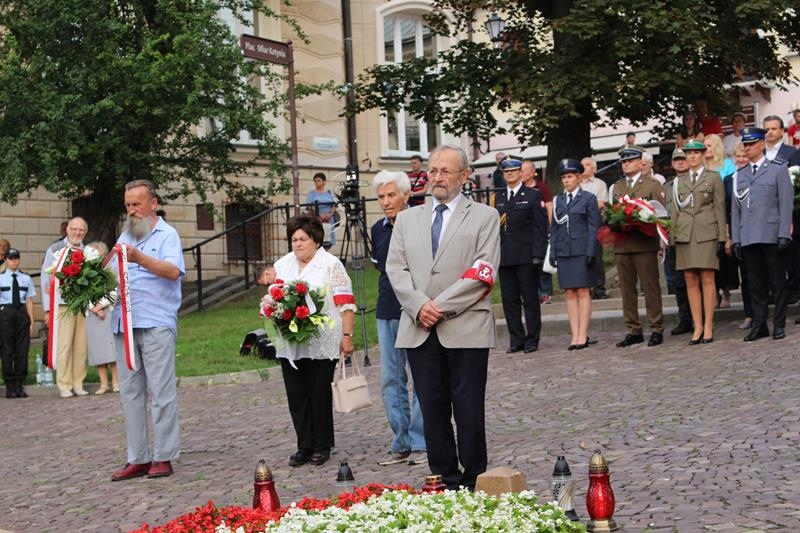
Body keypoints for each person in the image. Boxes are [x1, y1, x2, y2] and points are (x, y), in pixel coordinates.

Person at [387, 144, 500, 491]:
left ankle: (474, 479)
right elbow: (395, 269)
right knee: (432, 410)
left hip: (466, 327)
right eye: (432, 171)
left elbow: (483, 271)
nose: (437, 177)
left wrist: (438, 306)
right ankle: (444, 480)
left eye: (445, 171)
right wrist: (419, 306)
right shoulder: (407, 219)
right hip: (419, 328)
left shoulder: (484, 217)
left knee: (468, 408)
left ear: (464, 176)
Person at [110, 180, 186, 481]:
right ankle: (138, 457)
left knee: (161, 391)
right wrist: (93, 293)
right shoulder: (125, 235)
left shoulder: (168, 235)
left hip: (155, 322)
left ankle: (164, 456)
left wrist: (139, 258)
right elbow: (111, 275)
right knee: (130, 394)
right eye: (128, 205)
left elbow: (173, 271)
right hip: (123, 324)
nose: (132, 210)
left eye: (137, 204)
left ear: (153, 203)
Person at [273, 214, 356, 467]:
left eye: (303, 239)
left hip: (323, 340)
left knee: (319, 394)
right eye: (294, 239)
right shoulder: (283, 264)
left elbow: (346, 303)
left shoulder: (330, 265)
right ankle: (304, 445)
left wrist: (347, 336)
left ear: (316, 240)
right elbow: (275, 296)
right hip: (291, 342)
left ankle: (322, 445)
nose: (298, 244)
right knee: (296, 396)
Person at [370, 171, 426, 467]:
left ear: (406, 195)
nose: (386, 201)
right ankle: (401, 439)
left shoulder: (421, 223)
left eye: (391, 195)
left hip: (415, 309)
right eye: (381, 196)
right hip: (386, 309)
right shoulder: (377, 229)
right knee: (391, 378)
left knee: (421, 376)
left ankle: (421, 441)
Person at [731, 128, 793, 342]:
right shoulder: (740, 174)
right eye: (745, 145)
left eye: (751, 144)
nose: (747, 148)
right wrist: (737, 239)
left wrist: (784, 233)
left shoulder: (778, 169)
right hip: (748, 236)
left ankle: (779, 324)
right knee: (755, 285)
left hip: (771, 234)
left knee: (777, 283)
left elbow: (786, 204)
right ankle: (760, 325)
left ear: (761, 145)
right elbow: (736, 210)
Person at [667, 140, 726, 344]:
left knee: (707, 278)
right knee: (690, 279)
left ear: (702, 155)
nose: (692, 156)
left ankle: (708, 325)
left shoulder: (713, 178)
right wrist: (671, 236)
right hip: (684, 233)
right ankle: (697, 325)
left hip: (706, 232)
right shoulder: (678, 181)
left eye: (696, 153)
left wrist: (722, 236)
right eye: (689, 153)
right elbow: (675, 211)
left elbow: (719, 207)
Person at [610, 148, 665, 347]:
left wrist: (660, 240)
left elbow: (661, 214)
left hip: (644, 243)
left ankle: (656, 327)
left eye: (630, 161)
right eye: (623, 162)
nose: (626, 164)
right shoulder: (617, 186)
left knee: (650, 288)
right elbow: (612, 211)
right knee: (627, 290)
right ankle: (633, 329)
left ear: (640, 163)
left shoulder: (652, 184)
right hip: (623, 243)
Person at [493, 158, 547, 353]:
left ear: (520, 173)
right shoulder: (498, 197)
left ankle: (532, 338)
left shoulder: (532, 195)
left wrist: (538, 254)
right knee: (510, 301)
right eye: (506, 171)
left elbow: (540, 228)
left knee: (530, 300)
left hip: (526, 256)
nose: (510, 174)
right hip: (505, 256)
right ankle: (516, 339)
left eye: (514, 171)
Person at [549, 159, 601, 350]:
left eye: (570, 176)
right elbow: (554, 227)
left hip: (581, 250)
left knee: (583, 291)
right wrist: (553, 251)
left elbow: (594, 227)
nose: (566, 180)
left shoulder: (588, 198)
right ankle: (575, 334)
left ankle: (583, 334)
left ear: (578, 178)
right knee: (570, 292)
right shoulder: (558, 200)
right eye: (564, 177)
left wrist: (591, 251)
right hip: (564, 251)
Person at [41, 216, 90, 398]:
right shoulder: (55, 249)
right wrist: (47, 309)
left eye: (81, 230)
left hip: (82, 305)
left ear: (85, 232)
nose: (78, 232)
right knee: (65, 345)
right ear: (68, 230)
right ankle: (64, 384)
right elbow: (46, 280)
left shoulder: (89, 251)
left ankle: (78, 383)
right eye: (74, 229)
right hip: (62, 304)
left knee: (81, 346)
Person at [665, 149, 693, 335]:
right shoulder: (668, 186)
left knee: (696, 278)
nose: (680, 162)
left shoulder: (696, 180)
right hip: (674, 239)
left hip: (693, 237)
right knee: (679, 282)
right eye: (677, 160)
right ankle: (685, 319)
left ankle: (700, 317)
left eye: (683, 159)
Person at [0, 248, 36, 398]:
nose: (14, 261)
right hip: (5, 313)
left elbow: (29, 300)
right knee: (7, 350)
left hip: (22, 313)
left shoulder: (26, 278)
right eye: (11, 258)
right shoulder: (0, 278)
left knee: (22, 351)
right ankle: (10, 386)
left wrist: (31, 321)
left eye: (16, 258)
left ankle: (19, 384)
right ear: (6, 260)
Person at [84, 241, 119, 395]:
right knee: (97, 350)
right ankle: (104, 384)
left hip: (108, 313)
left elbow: (114, 292)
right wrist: (94, 308)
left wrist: (100, 306)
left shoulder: (109, 272)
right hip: (92, 316)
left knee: (112, 350)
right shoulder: (84, 274)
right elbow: (82, 294)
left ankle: (116, 382)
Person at [725, 144, 753, 330]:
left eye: (744, 156)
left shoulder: (755, 175)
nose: (741, 159)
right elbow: (726, 210)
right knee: (746, 276)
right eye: (738, 156)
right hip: (738, 232)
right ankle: (749, 314)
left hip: (757, 229)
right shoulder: (729, 180)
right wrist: (729, 236)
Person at [520, 160, 554, 304]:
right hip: (525, 232)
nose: (520, 173)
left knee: (542, 263)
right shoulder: (519, 188)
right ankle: (532, 293)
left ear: (532, 172)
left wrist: (551, 228)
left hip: (541, 231)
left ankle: (545, 293)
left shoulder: (542, 188)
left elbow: (549, 207)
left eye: (523, 171)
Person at [580, 158, 609, 300]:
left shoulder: (600, 184)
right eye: (582, 165)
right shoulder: (575, 184)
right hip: (579, 225)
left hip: (595, 224)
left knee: (596, 257)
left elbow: (602, 203)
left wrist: (581, 206)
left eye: (587, 165)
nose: (584, 167)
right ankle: (585, 288)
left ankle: (599, 289)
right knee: (581, 257)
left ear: (594, 169)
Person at [306, 172, 338, 249]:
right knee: (317, 239)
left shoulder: (329, 193)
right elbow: (309, 206)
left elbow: (335, 204)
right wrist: (319, 215)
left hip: (329, 219)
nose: (316, 182)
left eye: (318, 180)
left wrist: (329, 214)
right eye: (315, 181)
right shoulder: (311, 193)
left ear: (324, 181)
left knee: (328, 240)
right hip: (317, 218)